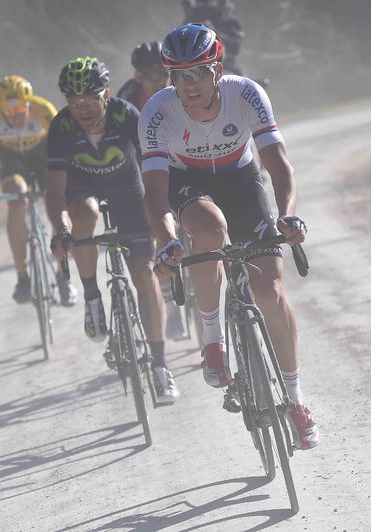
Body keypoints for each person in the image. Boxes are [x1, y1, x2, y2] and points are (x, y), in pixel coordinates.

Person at [138, 24, 318, 448]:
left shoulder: (246, 93)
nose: (189, 84)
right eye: (179, 75)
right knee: (211, 231)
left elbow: (279, 165)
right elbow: (156, 193)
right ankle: (212, 340)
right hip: (188, 183)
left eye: (198, 72)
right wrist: (167, 241)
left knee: (270, 293)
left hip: (241, 180)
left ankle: (295, 400)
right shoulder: (157, 111)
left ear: (217, 69)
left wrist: (288, 216)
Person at [46, 57, 180, 402]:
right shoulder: (62, 126)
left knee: (144, 276)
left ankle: (160, 366)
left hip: (127, 188)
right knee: (84, 214)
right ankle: (92, 296)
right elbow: (56, 189)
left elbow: (153, 165)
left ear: (105, 95)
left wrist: (164, 210)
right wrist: (60, 229)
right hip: (82, 189)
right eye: (74, 101)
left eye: (89, 99)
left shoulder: (126, 115)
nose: (82, 108)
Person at [0, 75, 77, 306]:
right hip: (12, 160)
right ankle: (22, 276)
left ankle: (63, 275)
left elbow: (65, 151)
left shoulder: (44, 110)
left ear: (29, 104)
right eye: (10, 112)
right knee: (16, 199)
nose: (17, 116)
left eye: (22, 109)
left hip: (43, 156)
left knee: (58, 203)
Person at [117, 41, 188, 341]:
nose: (159, 81)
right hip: (144, 163)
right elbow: (123, 149)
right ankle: (172, 309)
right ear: (137, 77)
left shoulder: (183, 89)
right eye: (150, 76)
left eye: (163, 74)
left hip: (181, 154)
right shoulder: (127, 100)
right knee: (156, 226)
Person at [182, 0, 244, 76]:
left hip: (225, 64)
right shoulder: (194, 16)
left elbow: (235, 47)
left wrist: (213, 32)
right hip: (194, 63)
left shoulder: (229, 21)